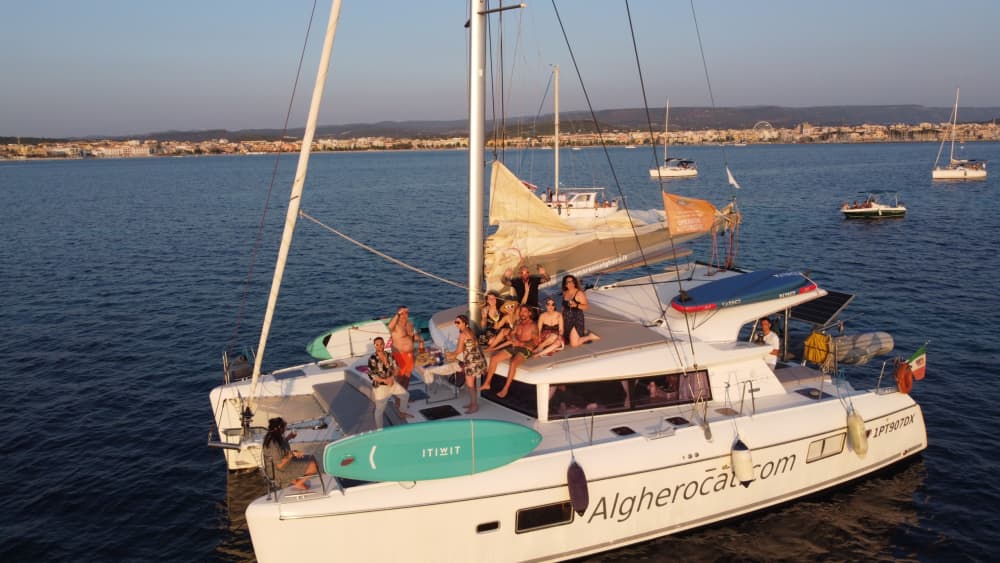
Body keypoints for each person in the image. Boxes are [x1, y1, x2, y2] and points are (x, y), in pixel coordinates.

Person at [419, 315, 488, 413]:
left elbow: (458, 351)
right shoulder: (469, 331)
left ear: (465, 323)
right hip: (476, 358)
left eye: (458, 322)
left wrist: (447, 354)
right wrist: (451, 354)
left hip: (471, 361)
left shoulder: (463, 334)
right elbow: (466, 348)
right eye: (455, 322)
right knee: (470, 384)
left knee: (470, 385)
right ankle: (472, 403)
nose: (456, 324)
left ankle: (474, 405)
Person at [483, 305, 540, 398]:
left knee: (513, 363)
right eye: (521, 311)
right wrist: (512, 338)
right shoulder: (518, 322)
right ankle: (487, 383)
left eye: (525, 311)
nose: (522, 313)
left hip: (526, 349)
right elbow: (513, 333)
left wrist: (522, 343)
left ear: (529, 313)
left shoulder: (533, 326)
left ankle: (505, 389)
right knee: (494, 358)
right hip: (515, 346)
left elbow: (536, 342)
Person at [262, 417, 319, 491]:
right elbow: (279, 465)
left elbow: (280, 448)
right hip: (278, 472)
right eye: (284, 427)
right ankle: (299, 483)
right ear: (279, 428)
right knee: (314, 466)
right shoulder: (273, 443)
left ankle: (296, 479)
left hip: (284, 465)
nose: (285, 429)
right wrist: (292, 454)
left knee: (312, 457)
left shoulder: (274, 436)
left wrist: (288, 438)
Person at [367, 337, 412, 428]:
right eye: (377, 345)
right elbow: (372, 375)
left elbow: (397, 368)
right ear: (375, 346)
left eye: (381, 344)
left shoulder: (389, 355)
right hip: (380, 387)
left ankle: (402, 413)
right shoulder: (372, 358)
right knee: (379, 411)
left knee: (405, 395)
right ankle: (380, 429)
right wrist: (385, 381)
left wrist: (392, 378)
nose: (379, 346)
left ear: (384, 344)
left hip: (392, 382)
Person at [561, 274, 601, 347]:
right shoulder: (565, 293)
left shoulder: (579, 293)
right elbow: (563, 307)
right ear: (565, 284)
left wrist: (576, 305)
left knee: (574, 344)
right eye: (568, 282)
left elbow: (586, 307)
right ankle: (582, 331)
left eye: (572, 281)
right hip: (566, 320)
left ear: (574, 283)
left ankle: (590, 336)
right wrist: (560, 318)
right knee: (566, 340)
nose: (570, 283)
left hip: (576, 320)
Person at [387, 305, 421, 389]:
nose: (405, 314)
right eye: (403, 313)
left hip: (410, 354)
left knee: (407, 376)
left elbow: (411, 337)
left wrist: (417, 339)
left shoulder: (409, 324)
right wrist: (398, 314)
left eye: (407, 312)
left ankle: (405, 394)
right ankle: (398, 396)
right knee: (400, 377)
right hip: (399, 354)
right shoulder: (396, 325)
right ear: (399, 314)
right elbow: (389, 327)